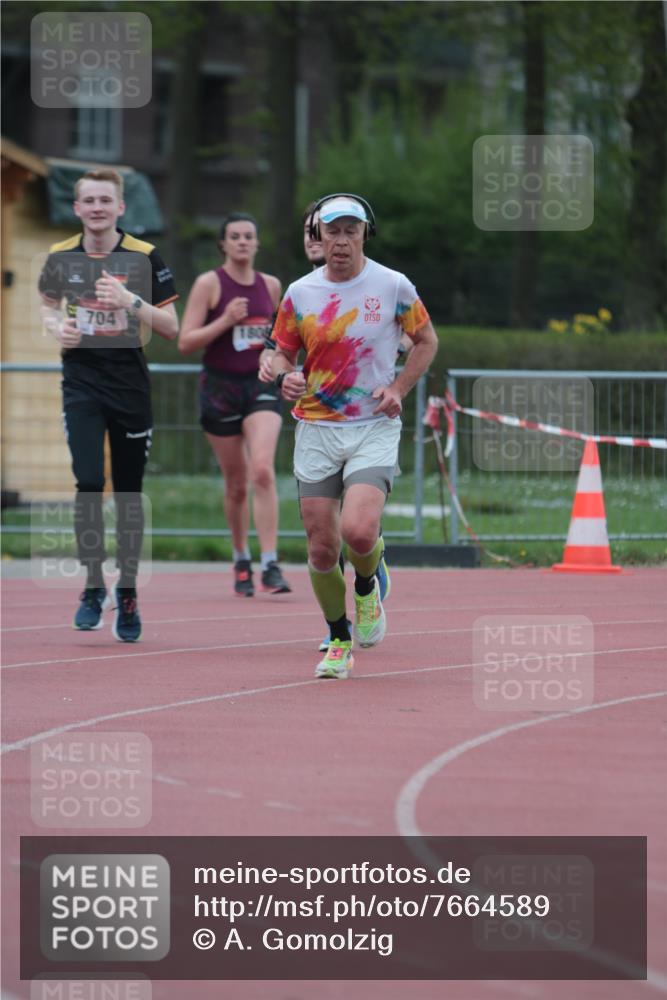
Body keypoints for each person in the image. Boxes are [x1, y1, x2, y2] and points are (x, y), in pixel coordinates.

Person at [270, 193, 438, 679]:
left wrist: (400, 386)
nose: (341, 241)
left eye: (351, 231)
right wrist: (285, 376)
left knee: (359, 532)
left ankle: (366, 587)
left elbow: (427, 340)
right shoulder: (300, 293)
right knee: (322, 549)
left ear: (365, 233)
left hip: (372, 426)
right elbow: (281, 352)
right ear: (318, 237)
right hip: (317, 428)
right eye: (333, 231)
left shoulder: (391, 285)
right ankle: (338, 638)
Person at [39, 168, 179, 641]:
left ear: (121, 208)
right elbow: (46, 305)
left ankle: (129, 590)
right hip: (80, 380)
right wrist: (57, 328)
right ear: (77, 208)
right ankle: (93, 585)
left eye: (106, 201)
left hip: (128, 384)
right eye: (89, 201)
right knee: (88, 481)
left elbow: (172, 327)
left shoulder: (144, 256)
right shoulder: (60, 255)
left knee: (127, 492)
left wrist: (129, 299)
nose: (97, 208)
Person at [178, 212, 290, 597]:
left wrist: (276, 364)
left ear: (257, 244)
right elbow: (185, 341)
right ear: (223, 244)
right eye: (235, 236)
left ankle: (271, 563)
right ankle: (241, 556)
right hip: (220, 387)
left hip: (259, 386)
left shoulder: (271, 286)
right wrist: (225, 320)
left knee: (262, 469)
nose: (242, 242)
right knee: (237, 483)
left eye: (249, 236)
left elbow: (281, 341)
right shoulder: (209, 284)